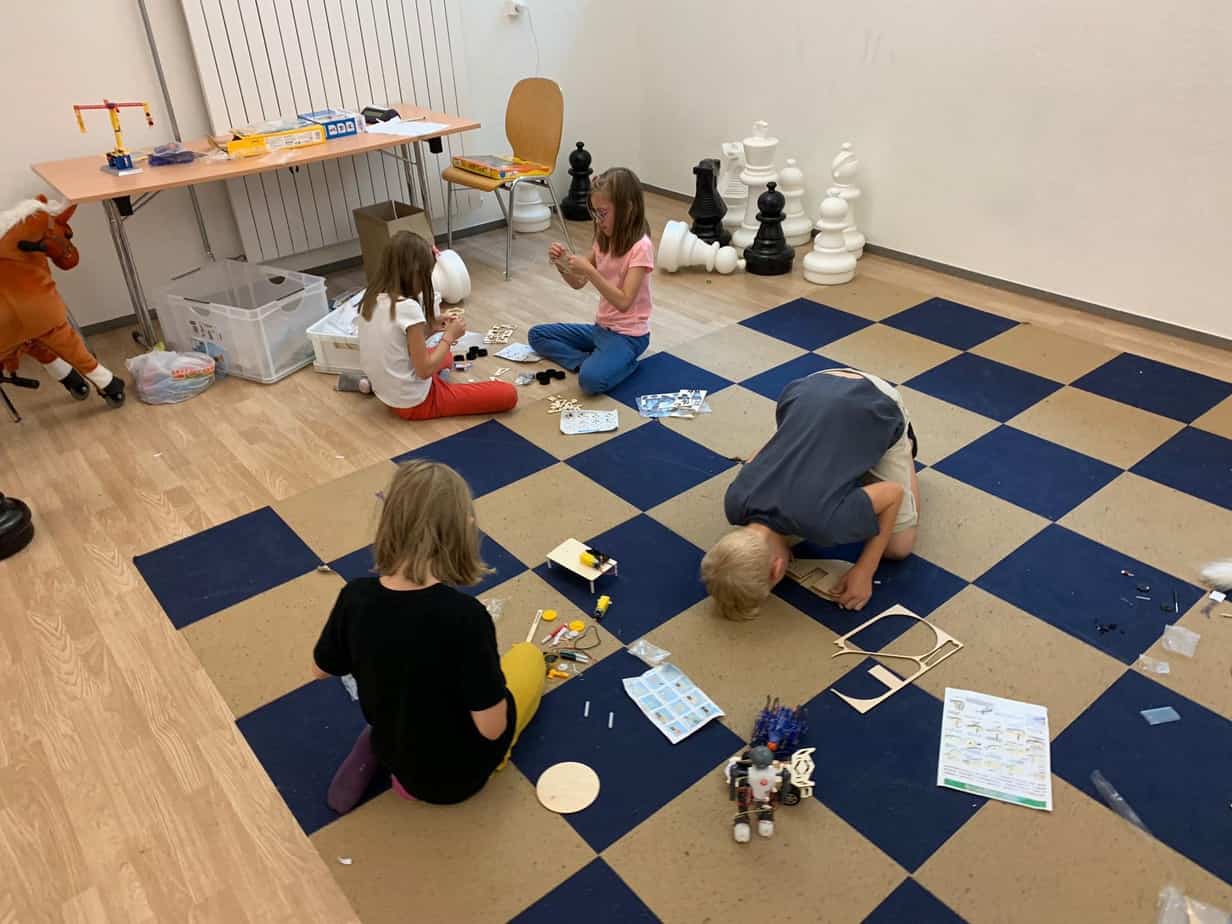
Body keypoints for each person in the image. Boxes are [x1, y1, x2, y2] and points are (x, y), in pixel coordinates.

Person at [312, 460, 545, 811]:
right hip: (455, 780)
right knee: (529, 657)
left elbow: (320, 669)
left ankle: (376, 744)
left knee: (405, 694)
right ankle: (384, 743)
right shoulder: (465, 617)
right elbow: (492, 728)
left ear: (387, 523)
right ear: (465, 529)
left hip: (399, 755)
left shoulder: (355, 596)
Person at [701, 368, 921, 619]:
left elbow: (893, 494)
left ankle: (900, 442)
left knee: (898, 548)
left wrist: (865, 570)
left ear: (777, 568)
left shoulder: (825, 524)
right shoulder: (734, 503)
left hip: (878, 401)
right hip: (809, 386)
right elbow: (758, 458)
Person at [357, 231, 517, 420]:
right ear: (414, 272)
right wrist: (449, 337)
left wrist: (430, 326)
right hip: (415, 402)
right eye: (426, 275)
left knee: (447, 357)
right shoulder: (407, 307)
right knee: (508, 394)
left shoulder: (371, 297)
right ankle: (439, 387)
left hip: (386, 392)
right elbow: (424, 371)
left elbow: (397, 341)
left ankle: (367, 384)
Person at [528, 167, 654, 395]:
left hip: (629, 337)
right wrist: (561, 263)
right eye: (595, 213)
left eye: (603, 213)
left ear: (627, 209)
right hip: (600, 330)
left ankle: (624, 364)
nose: (598, 220)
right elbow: (578, 282)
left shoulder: (641, 247)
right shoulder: (604, 240)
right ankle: (587, 361)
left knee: (590, 383)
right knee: (537, 335)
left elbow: (624, 302)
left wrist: (592, 272)